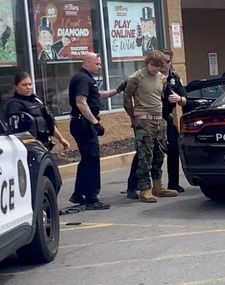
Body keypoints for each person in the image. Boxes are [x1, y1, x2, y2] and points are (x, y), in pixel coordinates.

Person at [68, 52, 127, 210]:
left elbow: (95, 95)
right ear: (87, 62)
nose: (100, 67)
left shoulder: (86, 78)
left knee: (87, 159)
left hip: (82, 123)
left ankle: (78, 194)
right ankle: (92, 199)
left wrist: (117, 90)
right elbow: (81, 102)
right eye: (97, 64)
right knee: (92, 160)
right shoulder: (82, 78)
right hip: (83, 124)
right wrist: (95, 123)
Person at [126, 49, 186, 199]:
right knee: (145, 155)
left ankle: (157, 186)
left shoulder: (162, 79)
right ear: (147, 63)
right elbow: (127, 99)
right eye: (152, 65)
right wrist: (133, 118)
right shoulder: (136, 77)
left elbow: (161, 98)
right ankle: (145, 188)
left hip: (159, 119)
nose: (154, 68)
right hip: (143, 119)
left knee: (159, 154)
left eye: (157, 66)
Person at [5, 71, 70, 151]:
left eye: (30, 84)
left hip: (44, 146)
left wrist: (61, 139)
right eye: (24, 85)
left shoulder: (37, 100)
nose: (28, 87)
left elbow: (49, 121)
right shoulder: (14, 105)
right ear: (16, 86)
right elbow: (16, 131)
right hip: (29, 149)